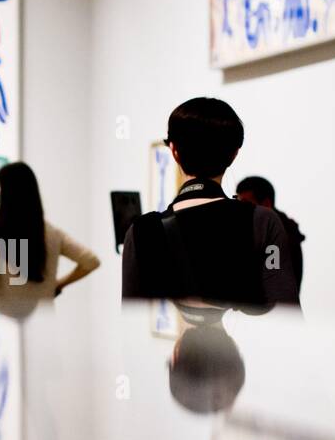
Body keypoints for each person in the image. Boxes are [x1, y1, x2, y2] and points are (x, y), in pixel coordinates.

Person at [121, 97, 299, 310]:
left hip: (173, 344)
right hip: (242, 344)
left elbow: (132, 325)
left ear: (174, 151)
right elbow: (286, 314)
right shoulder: (262, 221)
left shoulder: (141, 231)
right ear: (234, 154)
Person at [0, 162, 100, 319]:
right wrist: (58, 284)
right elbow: (91, 261)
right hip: (44, 323)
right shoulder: (52, 233)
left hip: (8, 321)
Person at [234, 175, 305, 293]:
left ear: (266, 204)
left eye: (246, 204)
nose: (240, 210)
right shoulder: (279, 230)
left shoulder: (278, 236)